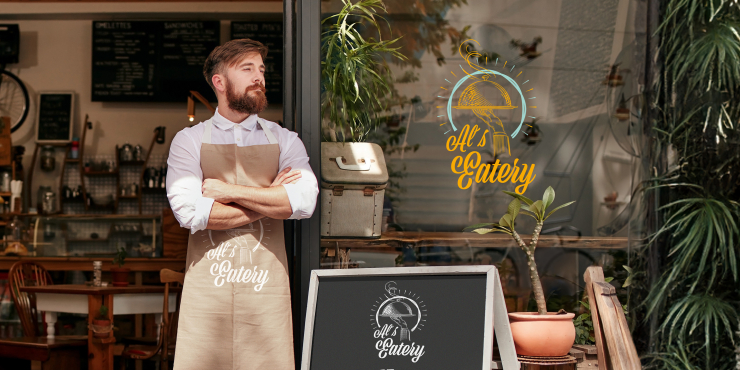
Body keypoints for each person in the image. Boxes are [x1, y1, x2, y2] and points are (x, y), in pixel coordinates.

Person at [166, 38, 318, 370]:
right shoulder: (189, 140)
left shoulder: (284, 139)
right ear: (219, 82)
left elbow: (304, 202)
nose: (259, 77)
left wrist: (226, 190)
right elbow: (191, 212)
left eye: (261, 69)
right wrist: (269, 198)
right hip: (208, 296)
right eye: (247, 69)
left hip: (267, 296)